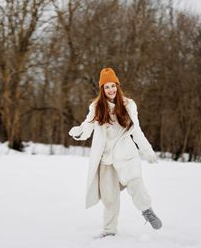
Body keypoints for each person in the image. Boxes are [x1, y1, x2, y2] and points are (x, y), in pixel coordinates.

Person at [69, 67, 162, 238]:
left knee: (135, 183)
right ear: (102, 90)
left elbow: (136, 130)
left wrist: (147, 150)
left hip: (126, 155)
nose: (110, 90)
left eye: (113, 86)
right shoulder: (96, 107)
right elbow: (87, 127)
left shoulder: (128, 104)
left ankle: (147, 210)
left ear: (117, 86)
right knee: (109, 198)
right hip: (106, 160)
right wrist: (78, 132)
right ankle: (109, 230)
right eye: (106, 87)